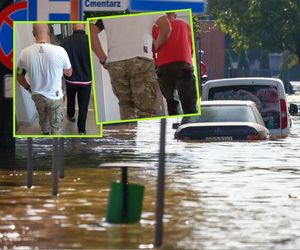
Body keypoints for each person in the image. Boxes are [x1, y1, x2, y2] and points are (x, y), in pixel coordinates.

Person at [90, 14, 171, 120]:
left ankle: (130, 134)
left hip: (116, 62)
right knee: (147, 109)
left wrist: (102, 58)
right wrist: (157, 44)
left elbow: (92, 31)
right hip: (141, 59)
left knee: (126, 106)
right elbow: (166, 27)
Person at [16, 24, 72, 135]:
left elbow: (19, 76)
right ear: (49, 32)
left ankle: (45, 135)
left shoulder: (24, 53)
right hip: (55, 97)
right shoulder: (60, 51)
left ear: (33, 33)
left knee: (43, 118)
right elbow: (69, 73)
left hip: (37, 96)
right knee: (56, 126)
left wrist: (28, 88)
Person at [152, 12, 197, 115]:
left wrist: (156, 65)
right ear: (175, 15)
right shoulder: (185, 25)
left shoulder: (155, 29)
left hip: (164, 67)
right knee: (189, 104)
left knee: (171, 101)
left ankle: (175, 125)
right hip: (183, 64)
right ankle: (190, 126)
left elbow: (153, 48)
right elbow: (191, 48)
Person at [60, 23, 92, 135]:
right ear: (85, 26)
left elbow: (61, 62)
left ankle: (70, 115)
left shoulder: (64, 41)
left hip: (70, 79)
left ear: (73, 26)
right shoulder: (91, 41)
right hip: (86, 80)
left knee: (71, 99)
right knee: (83, 106)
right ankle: (82, 130)